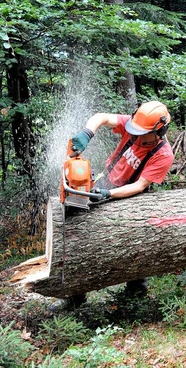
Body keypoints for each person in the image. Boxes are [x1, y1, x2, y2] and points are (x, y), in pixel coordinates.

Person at [65, 100, 175, 306]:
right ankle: (75, 296)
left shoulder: (163, 154)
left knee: (134, 245)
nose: (137, 135)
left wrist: (108, 194)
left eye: (143, 133)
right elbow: (101, 117)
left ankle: (135, 293)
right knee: (80, 236)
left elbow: (140, 185)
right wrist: (87, 133)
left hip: (132, 197)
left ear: (159, 132)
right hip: (106, 181)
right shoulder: (135, 126)